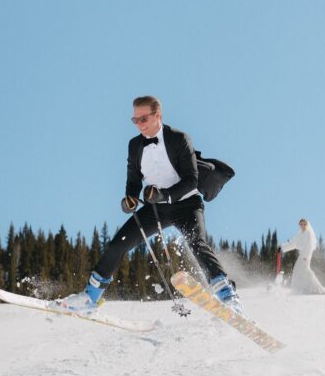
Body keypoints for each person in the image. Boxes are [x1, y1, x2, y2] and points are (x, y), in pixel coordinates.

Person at [61, 95, 241, 312]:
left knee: (197, 244)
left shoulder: (179, 138)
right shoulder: (135, 145)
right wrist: (130, 199)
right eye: (135, 120)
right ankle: (90, 298)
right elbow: (134, 180)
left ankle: (227, 296)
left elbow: (191, 179)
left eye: (143, 119)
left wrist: (164, 195)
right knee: (117, 244)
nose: (139, 124)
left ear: (158, 116)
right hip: (156, 209)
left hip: (187, 205)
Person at [278, 218, 325, 295]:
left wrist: (306, 256)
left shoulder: (309, 233)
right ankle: (301, 290)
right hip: (302, 255)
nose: (302, 226)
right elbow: (293, 243)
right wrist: (282, 247)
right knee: (299, 271)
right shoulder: (300, 233)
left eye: (304, 224)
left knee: (304, 271)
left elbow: (310, 245)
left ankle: (316, 289)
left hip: (306, 255)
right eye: (301, 224)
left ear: (307, 224)